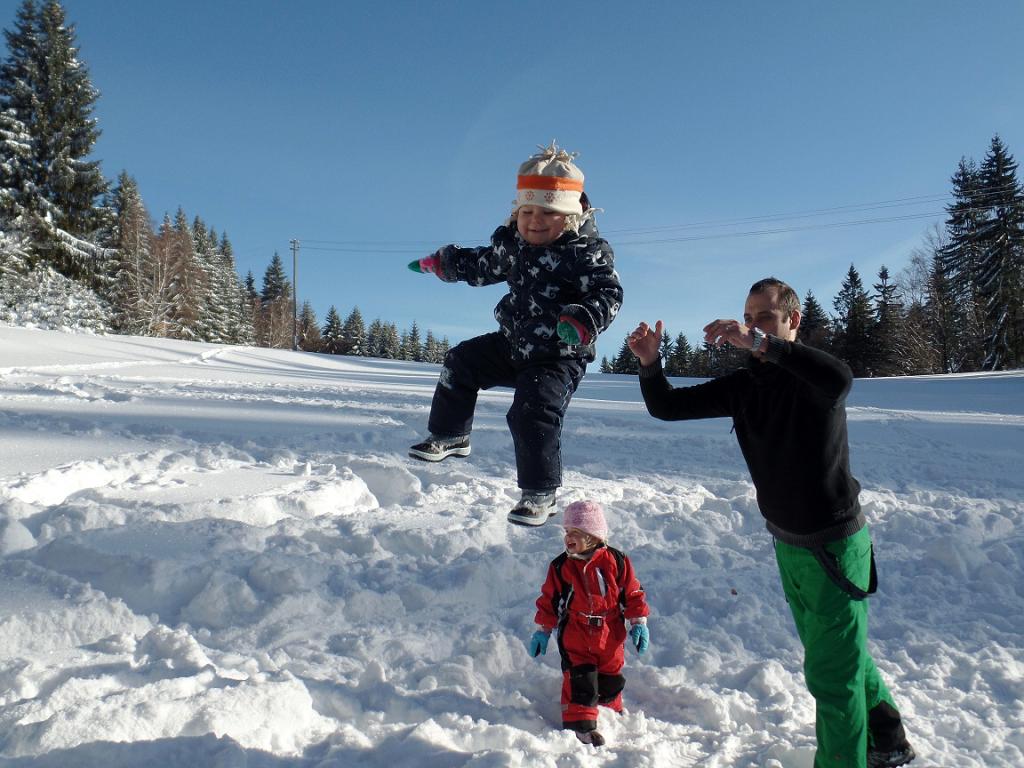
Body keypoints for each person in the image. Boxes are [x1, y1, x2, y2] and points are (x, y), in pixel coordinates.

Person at [627, 277, 915, 768]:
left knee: (831, 673)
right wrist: (651, 365)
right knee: (839, 654)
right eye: (748, 315)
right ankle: (886, 736)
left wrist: (761, 344)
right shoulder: (746, 387)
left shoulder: (814, 381)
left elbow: (841, 378)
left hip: (834, 547)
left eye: (765, 316)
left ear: (791, 321)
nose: (752, 325)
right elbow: (667, 407)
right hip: (790, 544)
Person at [407, 142, 623, 525]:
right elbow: (481, 264)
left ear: (570, 218)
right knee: (461, 361)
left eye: (547, 213)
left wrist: (582, 319)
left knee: (531, 412)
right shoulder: (515, 248)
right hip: (513, 345)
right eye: (527, 211)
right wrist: (443, 263)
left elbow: (608, 293)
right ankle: (451, 434)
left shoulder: (584, 253)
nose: (534, 220)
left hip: (558, 355)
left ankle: (539, 492)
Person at [528, 500, 650, 747]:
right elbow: (550, 598)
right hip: (577, 630)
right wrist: (543, 629)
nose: (568, 538)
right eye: (566, 532)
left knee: (610, 674)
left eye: (576, 533)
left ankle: (608, 710)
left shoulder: (617, 560)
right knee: (580, 676)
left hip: (610, 631)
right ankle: (582, 725)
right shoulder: (561, 565)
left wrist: (638, 622)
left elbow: (632, 592)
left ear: (594, 535)